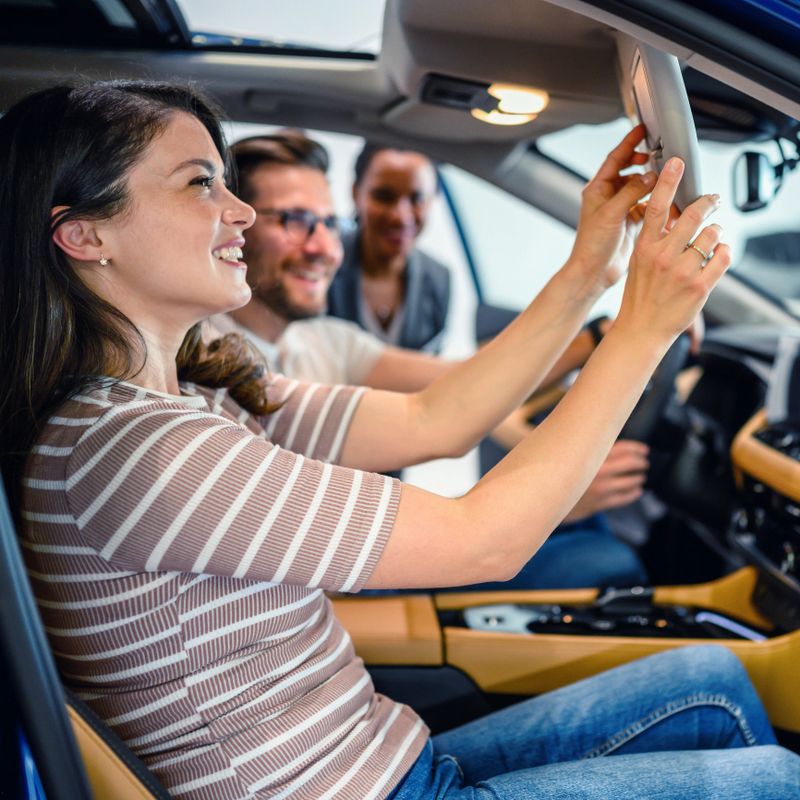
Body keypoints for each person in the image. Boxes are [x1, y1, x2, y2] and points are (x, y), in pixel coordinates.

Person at [2, 80, 797, 800]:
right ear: (85, 236)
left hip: (386, 760)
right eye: (199, 183)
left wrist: (593, 266)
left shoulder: (196, 395)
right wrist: (643, 331)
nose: (240, 211)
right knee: (776, 779)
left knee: (714, 680)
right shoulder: (134, 451)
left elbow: (437, 418)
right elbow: (486, 545)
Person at [216, 131, 648, 590]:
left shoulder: (323, 339)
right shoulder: (218, 373)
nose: (325, 248)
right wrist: (639, 330)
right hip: (350, 584)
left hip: (378, 544)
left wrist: (594, 283)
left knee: (595, 538)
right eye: (296, 220)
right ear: (232, 225)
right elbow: (445, 429)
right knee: (607, 561)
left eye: (326, 223)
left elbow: (458, 392)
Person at [326, 142, 450, 351]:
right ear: (357, 193)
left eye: (417, 198)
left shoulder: (439, 278)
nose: (400, 217)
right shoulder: (325, 264)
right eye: (384, 196)